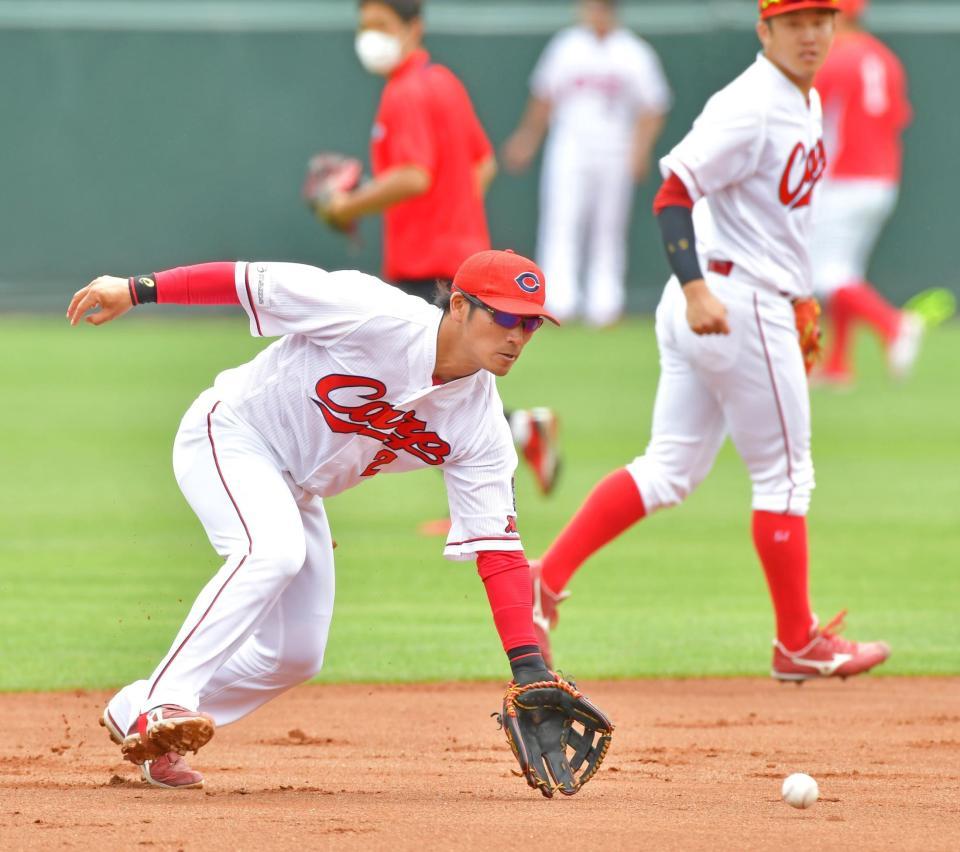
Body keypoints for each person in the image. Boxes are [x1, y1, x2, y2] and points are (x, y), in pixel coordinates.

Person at [67, 250, 563, 789]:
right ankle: (166, 702)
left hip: (297, 488)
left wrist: (529, 668)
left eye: (531, 321)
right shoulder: (371, 312)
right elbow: (248, 280)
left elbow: (499, 549)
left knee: (296, 654)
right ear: (461, 306)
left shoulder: (482, 427)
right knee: (273, 551)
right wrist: (137, 289)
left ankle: (138, 712)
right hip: (232, 434)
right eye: (506, 316)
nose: (518, 334)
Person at [529, 0, 891, 682]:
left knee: (669, 468)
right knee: (785, 478)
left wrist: (794, 290)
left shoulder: (799, 98)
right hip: (732, 303)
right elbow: (672, 194)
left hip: (739, 294)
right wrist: (698, 288)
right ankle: (798, 643)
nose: (811, 33)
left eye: (822, 19)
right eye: (795, 21)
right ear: (766, 29)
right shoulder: (752, 103)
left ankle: (545, 580)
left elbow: (771, 215)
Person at [316, 0, 559, 497]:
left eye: (381, 26)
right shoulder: (443, 81)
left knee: (391, 385)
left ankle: (510, 449)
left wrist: (347, 206)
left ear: (413, 28)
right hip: (465, 259)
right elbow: (483, 163)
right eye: (365, 27)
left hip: (426, 264)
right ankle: (517, 441)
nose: (371, 37)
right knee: (439, 389)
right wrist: (455, 211)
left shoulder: (403, 92)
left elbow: (412, 174)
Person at [502, 0, 671, 327]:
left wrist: (639, 149)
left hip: (614, 146)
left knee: (608, 227)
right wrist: (527, 139)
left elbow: (653, 107)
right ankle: (557, 301)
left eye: (603, 7)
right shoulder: (566, 46)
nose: (597, 13)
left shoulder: (633, 51)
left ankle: (604, 304)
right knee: (561, 220)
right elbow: (544, 98)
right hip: (570, 144)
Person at [810, 0, 923, 384]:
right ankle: (839, 364)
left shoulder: (834, 59)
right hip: (882, 179)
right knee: (846, 270)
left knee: (824, 275)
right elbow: (898, 119)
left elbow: (812, 120)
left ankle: (892, 323)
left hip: (842, 178)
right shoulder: (886, 59)